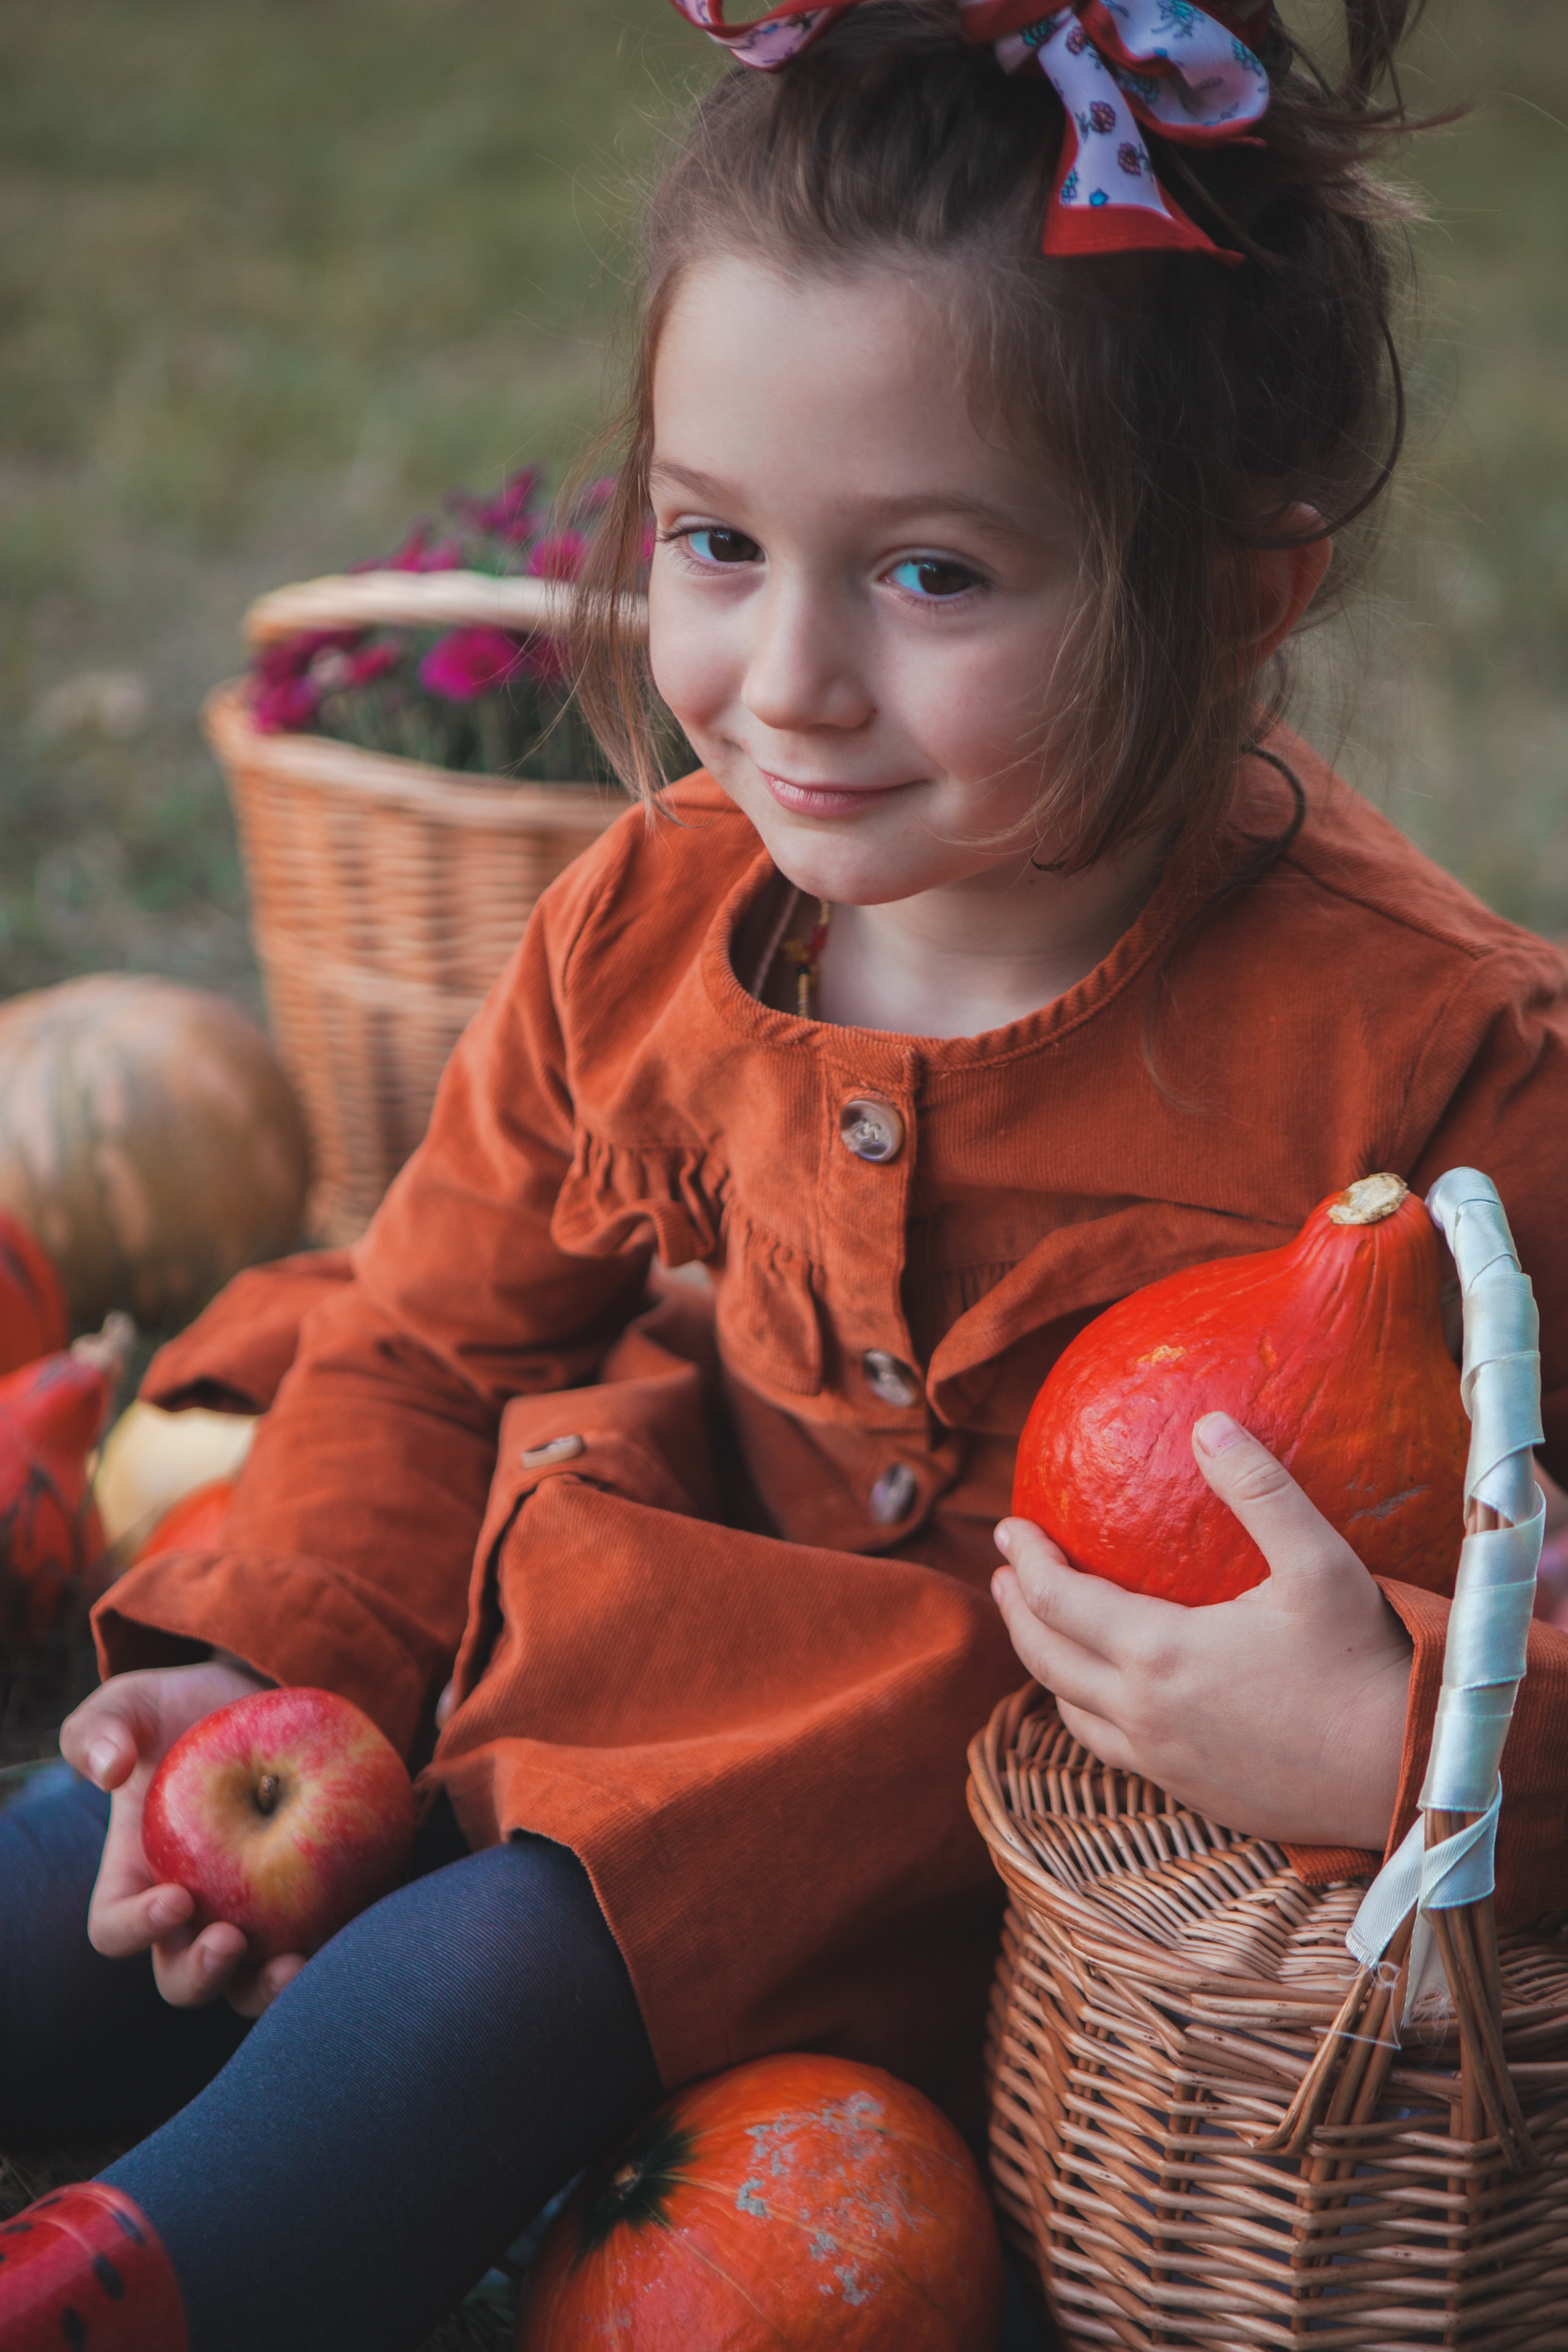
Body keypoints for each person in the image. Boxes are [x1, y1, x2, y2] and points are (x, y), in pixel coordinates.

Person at [4, 2, 1567, 2346]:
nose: (792, 679)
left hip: (952, 1824)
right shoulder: (653, 918)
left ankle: (109, 2293)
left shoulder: (1434, 1069)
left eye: (933, 577)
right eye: (719, 543)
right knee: (99, 1870)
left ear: (1243, 589)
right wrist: (271, 1661)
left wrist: (1395, 1733)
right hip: (615, 1617)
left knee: (499, 1955)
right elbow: (426, 1340)